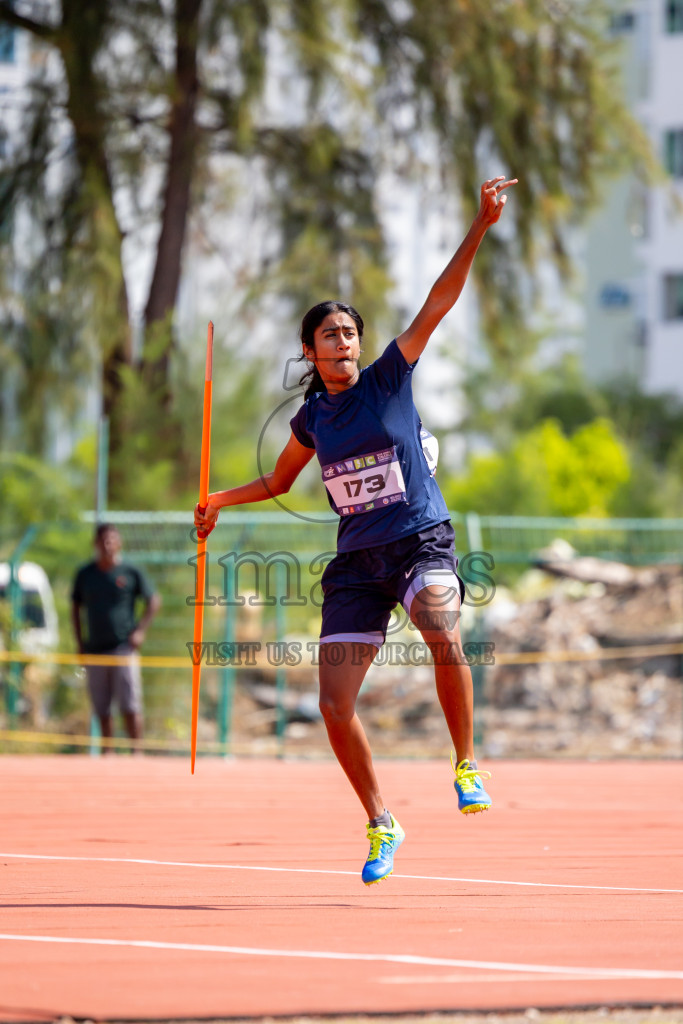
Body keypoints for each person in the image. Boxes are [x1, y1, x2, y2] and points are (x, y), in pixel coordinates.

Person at [195, 175, 517, 884]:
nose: (343, 340)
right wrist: (219, 496)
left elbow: (439, 301)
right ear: (309, 353)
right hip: (358, 565)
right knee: (333, 707)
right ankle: (381, 821)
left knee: (439, 624)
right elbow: (280, 482)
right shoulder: (312, 419)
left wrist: (481, 225)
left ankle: (464, 763)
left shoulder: (387, 380)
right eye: (329, 334)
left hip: (420, 540)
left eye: (350, 331)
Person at [71, 523, 161, 752]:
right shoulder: (85, 575)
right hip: (95, 650)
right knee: (102, 707)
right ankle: (108, 753)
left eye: (112, 539)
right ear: (96, 544)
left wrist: (140, 629)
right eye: (103, 540)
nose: (107, 544)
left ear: (119, 542)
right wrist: (80, 644)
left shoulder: (130, 572)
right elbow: (75, 607)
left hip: (124, 649)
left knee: (130, 704)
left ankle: (136, 752)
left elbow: (153, 600)